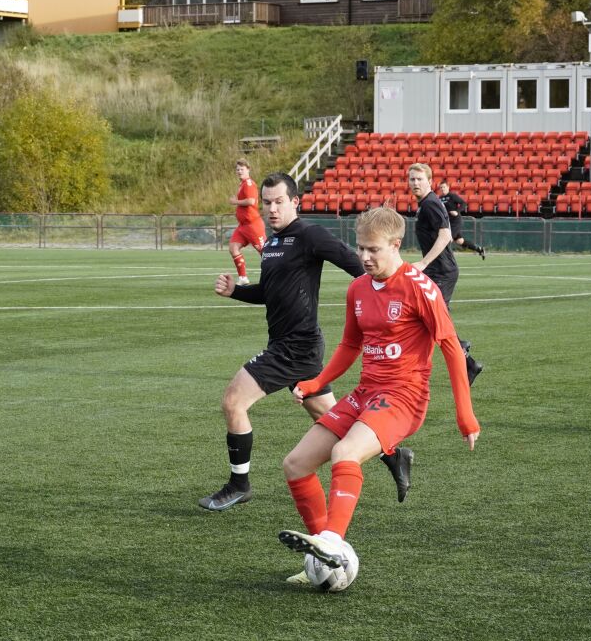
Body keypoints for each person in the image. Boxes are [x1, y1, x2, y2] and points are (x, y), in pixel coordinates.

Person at [277, 207, 480, 583]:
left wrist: (464, 414)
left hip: (404, 396)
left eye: (373, 250)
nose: (365, 257)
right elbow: (349, 345)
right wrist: (315, 382)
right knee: (296, 464)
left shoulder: (420, 287)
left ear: (395, 245)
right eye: (360, 249)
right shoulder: (357, 288)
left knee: (344, 453)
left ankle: (333, 542)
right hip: (365, 392)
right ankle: (326, 556)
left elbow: (451, 347)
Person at [200, 172, 413, 511]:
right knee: (332, 421)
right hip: (292, 344)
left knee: (233, 402)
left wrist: (388, 294)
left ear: (295, 202)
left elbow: (354, 263)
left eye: (279, 202)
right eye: (266, 202)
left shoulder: (309, 234)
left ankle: (239, 485)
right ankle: (393, 455)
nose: (271, 209)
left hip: (295, 347)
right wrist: (236, 291)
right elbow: (271, 294)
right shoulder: (271, 244)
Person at [410, 163, 483, 384]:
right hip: (436, 271)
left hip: (442, 271)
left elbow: (445, 236)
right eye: (411, 179)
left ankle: (464, 358)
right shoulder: (426, 204)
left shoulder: (431, 204)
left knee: (435, 321)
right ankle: (466, 359)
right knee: (431, 319)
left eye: (419, 179)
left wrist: (423, 263)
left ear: (429, 181)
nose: (415, 183)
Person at [228, 159, 266, 286]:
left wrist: (235, 202)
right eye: (237, 169)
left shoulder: (249, 183)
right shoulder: (242, 184)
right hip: (243, 226)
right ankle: (243, 278)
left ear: (248, 169)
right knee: (233, 248)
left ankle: (280, 275)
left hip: (253, 225)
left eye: (242, 169)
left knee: (266, 253)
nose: (239, 171)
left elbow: (251, 201)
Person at [440, 181, 486, 259]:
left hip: (455, 221)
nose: (442, 189)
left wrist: (457, 212)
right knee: (460, 241)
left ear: (448, 187)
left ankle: (445, 259)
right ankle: (479, 249)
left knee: (447, 239)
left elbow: (463, 203)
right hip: (448, 222)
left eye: (444, 187)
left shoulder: (452, 196)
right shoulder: (440, 198)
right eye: (441, 187)